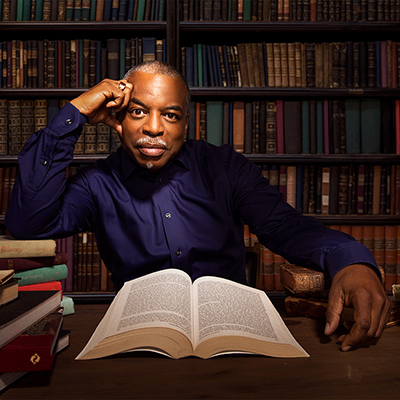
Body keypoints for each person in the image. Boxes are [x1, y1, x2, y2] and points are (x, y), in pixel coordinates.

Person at [5, 60, 390, 352]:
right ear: (118, 120)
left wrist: (351, 260)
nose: (154, 128)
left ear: (186, 124)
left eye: (169, 115)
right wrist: (75, 114)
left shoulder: (225, 168)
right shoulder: (97, 184)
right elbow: (28, 224)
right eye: (138, 111)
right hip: (140, 338)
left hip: (232, 336)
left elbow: (286, 228)